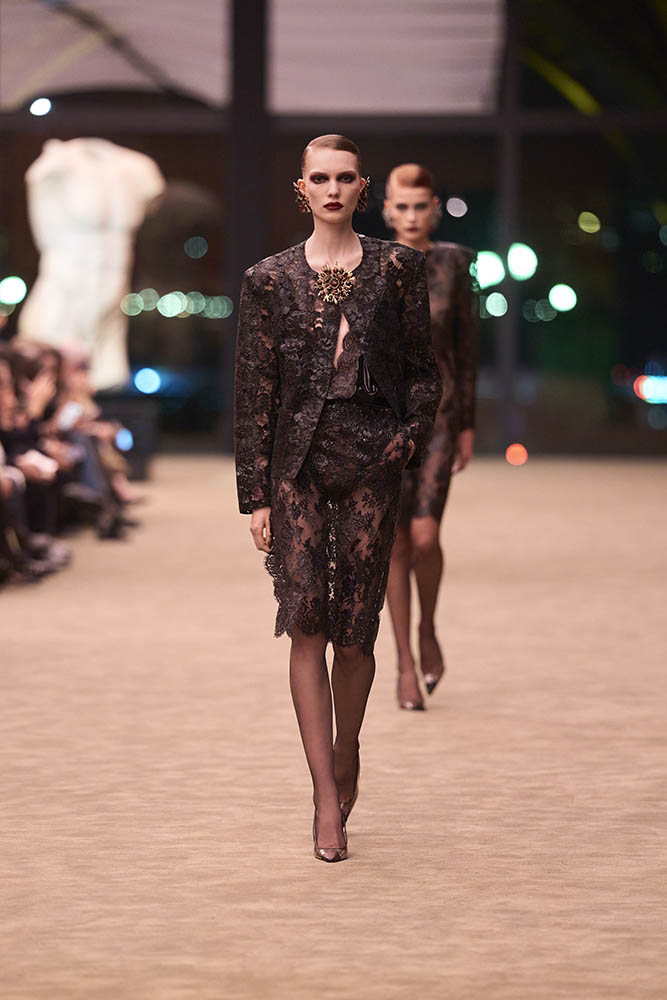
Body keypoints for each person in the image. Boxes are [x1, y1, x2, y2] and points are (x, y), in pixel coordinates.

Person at [235, 135, 441, 862]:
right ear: (302, 188)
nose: (331, 188)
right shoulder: (267, 279)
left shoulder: (398, 269)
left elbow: (424, 371)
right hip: (295, 467)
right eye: (318, 178)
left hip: (372, 463)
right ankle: (325, 795)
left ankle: (346, 750)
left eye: (344, 177)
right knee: (306, 625)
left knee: (355, 635)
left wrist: (406, 439)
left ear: (362, 187)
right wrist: (255, 495)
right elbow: (255, 392)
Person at [383, 163, 479, 711]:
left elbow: (466, 349)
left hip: (440, 418)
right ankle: (404, 661)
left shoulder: (455, 263)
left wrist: (467, 424)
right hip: (386, 420)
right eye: (403, 206)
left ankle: (428, 628)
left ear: (435, 209)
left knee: (424, 536)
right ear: (387, 209)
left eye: (421, 206)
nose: (412, 216)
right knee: (394, 542)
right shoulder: (371, 263)